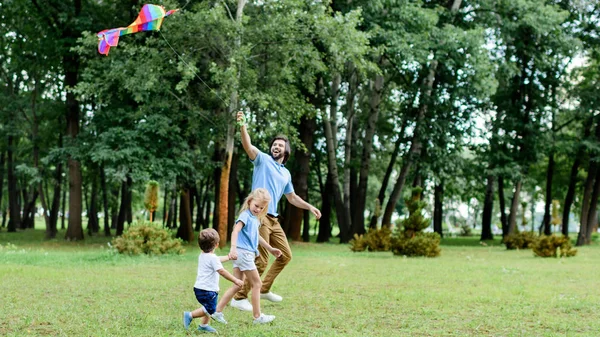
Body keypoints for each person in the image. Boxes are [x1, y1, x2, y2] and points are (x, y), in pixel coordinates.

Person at [230, 111, 322, 312]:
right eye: (274, 144)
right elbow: (248, 146)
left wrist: (310, 207)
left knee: (285, 255)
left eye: (280, 145)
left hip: (274, 220)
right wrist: (243, 125)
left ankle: (263, 289)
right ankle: (238, 297)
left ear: (286, 152)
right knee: (261, 260)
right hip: (258, 217)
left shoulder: (286, 173)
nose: (276, 147)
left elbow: (292, 197)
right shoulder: (262, 160)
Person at [212, 188, 283, 324]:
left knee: (237, 285)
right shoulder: (245, 215)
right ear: (250, 201)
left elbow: (257, 237)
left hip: (244, 254)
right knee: (257, 284)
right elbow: (235, 230)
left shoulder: (254, 219)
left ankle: (217, 311)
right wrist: (233, 248)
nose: (258, 209)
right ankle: (257, 317)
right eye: (256, 206)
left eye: (261, 208)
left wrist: (270, 249)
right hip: (243, 253)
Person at [183, 228, 244, 333]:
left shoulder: (203, 256)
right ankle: (189, 315)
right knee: (211, 309)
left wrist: (228, 257)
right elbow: (221, 271)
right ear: (216, 245)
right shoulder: (213, 258)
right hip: (207, 290)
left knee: (207, 306)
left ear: (199, 245)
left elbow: (217, 259)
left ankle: (204, 325)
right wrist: (235, 280)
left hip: (200, 288)